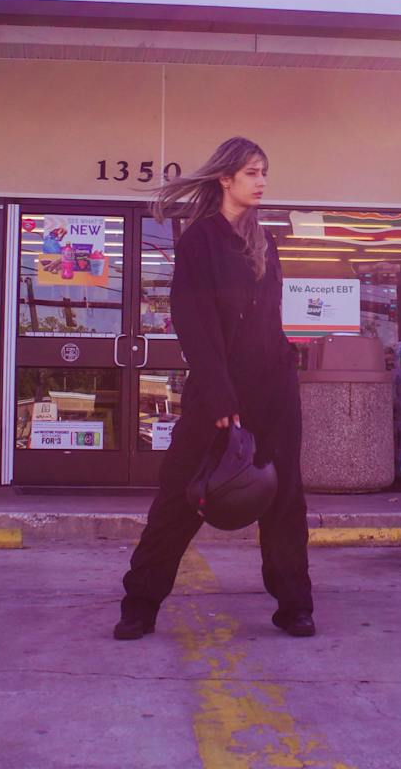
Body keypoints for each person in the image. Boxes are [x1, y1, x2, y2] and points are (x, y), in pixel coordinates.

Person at [116, 137, 315, 640]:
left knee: (285, 499)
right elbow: (194, 321)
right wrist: (222, 396)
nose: (262, 182)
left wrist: (284, 371)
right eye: (252, 173)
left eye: (265, 172)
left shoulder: (264, 240)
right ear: (226, 178)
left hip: (274, 391)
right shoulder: (200, 240)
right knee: (181, 498)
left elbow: (268, 319)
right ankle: (140, 604)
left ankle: (295, 606)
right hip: (218, 393)